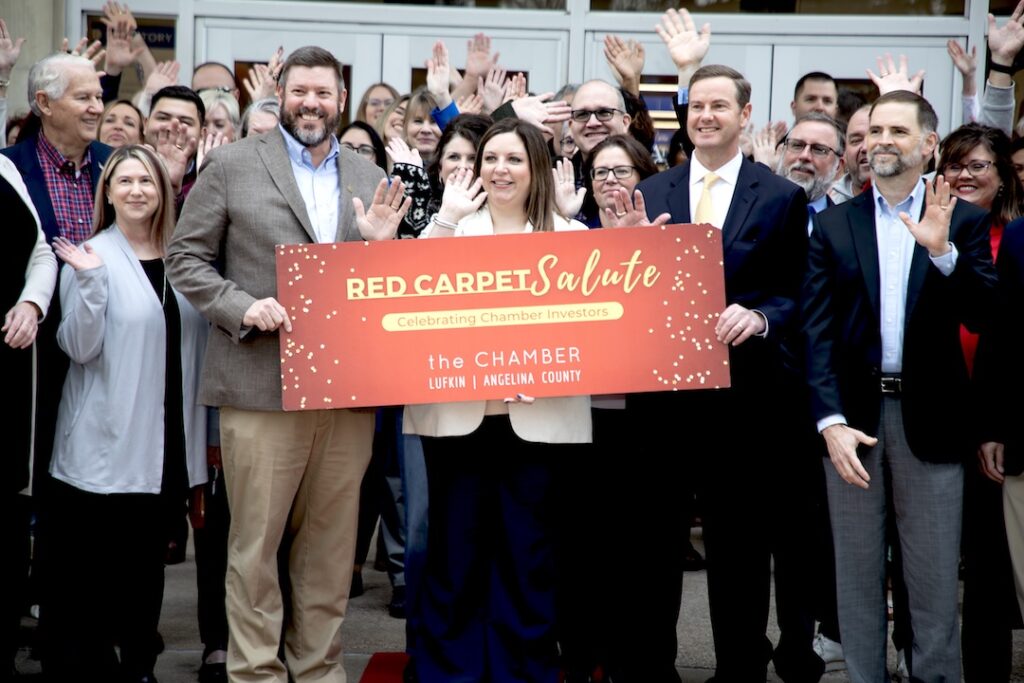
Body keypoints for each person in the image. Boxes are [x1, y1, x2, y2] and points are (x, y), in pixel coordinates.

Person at [166, 45, 411, 683]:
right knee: (255, 550)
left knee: (329, 553)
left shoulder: (367, 172)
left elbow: (383, 286)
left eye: (323, 93)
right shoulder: (229, 165)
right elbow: (184, 260)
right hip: (259, 384)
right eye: (300, 91)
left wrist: (385, 252)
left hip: (347, 392)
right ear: (280, 91)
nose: (311, 103)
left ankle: (318, 669)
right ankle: (253, 672)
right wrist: (243, 307)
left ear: (340, 99)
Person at [618, 62, 809, 683]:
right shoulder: (654, 191)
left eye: (719, 106)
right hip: (660, 407)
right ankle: (652, 671)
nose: (705, 116)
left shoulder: (780, 196)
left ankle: (740, 671)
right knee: (651, 552)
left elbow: (797, 294)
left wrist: (758, 314)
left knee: (741, 555)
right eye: (696, 105)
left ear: (744, 115)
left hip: (744, 404)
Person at [802, 90, 997, 683]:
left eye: (898, 131)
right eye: (874, 130)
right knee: (856, 579)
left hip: (932, 421)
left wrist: (943, 254)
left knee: (935, 581)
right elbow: (817, 336)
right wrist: (829, 422)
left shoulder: (962, 219)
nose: (881, 141)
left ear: (928, 144)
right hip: (854, 426)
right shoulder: (834, 225)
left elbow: (987, 312)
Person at [405, 117, 592, 682]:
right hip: (457, 419)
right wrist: (444, 220)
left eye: (514, 159)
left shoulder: (573, 238)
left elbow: (594, 335)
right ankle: (449, 670)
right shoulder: (452, 228)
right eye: (490, 159)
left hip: (542, 420)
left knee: (527, 553)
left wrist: (550, 369)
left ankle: (523, 669)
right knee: (454, 552)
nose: (500, 170)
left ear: (536, 168)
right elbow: (413, 304)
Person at [43, 143, 209, 682]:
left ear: (164, 192)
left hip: (166, 446)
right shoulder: (91, 255)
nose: (137, 190)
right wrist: (88, 283)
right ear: (108, 193)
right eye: (125, 181)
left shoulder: (185, 259)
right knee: (96, 577)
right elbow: (78, 347)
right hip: (104, 446)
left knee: (145, 573)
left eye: (148, 181)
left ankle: (140, 665)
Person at [936, 122, 1024, 682]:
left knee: (994, 560)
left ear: (1004, 176)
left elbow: (1007, 334)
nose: (965, 175)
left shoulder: (1013, 236)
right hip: (941, 413)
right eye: (955, 165)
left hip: (997, 414)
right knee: (943, 558)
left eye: (979, 165)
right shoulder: (928, 227)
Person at [0, 152, 57, 680]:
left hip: (9, 359)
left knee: (8, 514)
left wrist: (32, 303)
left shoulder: (6, 170)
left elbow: (41, 251)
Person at [775, 112, 846, 231]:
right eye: (797, 145)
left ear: (838, 166)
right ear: (782, 152)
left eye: (819, 150)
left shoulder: (846, 228)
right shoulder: (753, 212)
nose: (804, 156)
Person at [830, 105, 870, 204]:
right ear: (844, 155)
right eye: (856, 140)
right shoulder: (828, 208)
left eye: (874, 136)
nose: (865, 147)